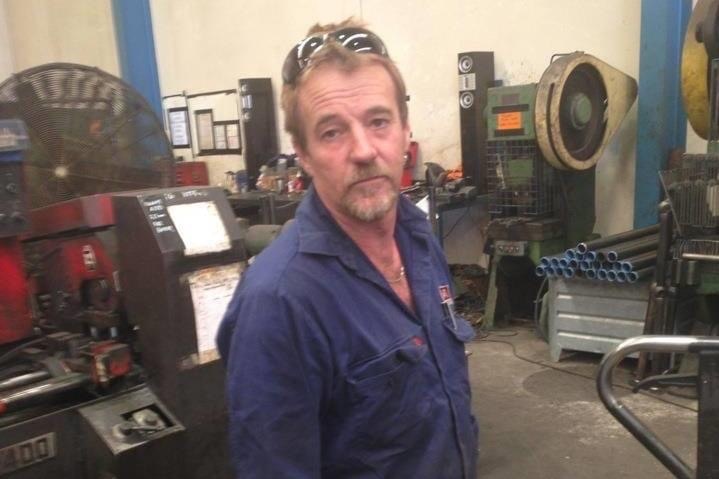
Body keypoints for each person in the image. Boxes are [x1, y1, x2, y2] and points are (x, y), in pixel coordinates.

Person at [216, 18, 478, 478]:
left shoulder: (419, 240)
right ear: (303, 152)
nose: (363, 150)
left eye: (378, 122)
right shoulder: (278, 305)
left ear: (404, 131)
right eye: (332, 131)